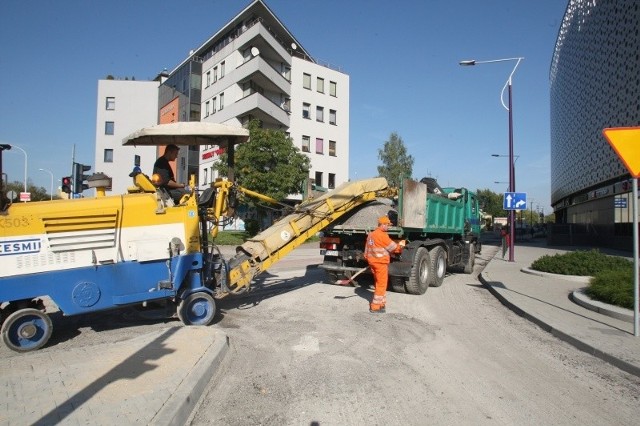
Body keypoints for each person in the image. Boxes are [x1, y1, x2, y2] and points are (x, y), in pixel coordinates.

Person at [364, 216, 404, 314]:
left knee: (379, 283)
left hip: (373, 262)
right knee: (381, 284)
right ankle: (375, 307)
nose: (388, 227)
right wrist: (401, 246)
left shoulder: (371, 235)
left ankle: (381, 303)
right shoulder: (382, 235)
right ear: (382, 224)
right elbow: (394, 248)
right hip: (380, 263)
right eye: (387, 225)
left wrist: (371, 260)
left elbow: (366, 251)